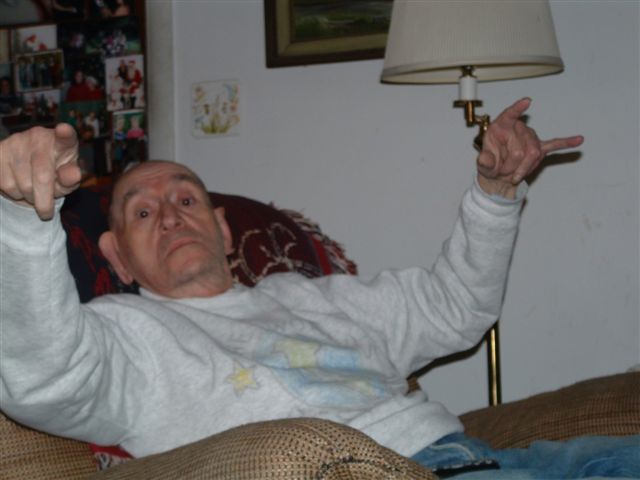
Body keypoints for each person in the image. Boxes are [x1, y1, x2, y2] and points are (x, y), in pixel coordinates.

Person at [6, 99, 633, 480]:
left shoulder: (312, 295)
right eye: (142, 213)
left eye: (187, 200)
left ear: (223, 229)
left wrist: (495, 195)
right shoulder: (122, 334)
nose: (170, 216)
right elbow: (45, 380)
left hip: (481, 455)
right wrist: (24, 218)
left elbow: (454, 308)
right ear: (115, 256)